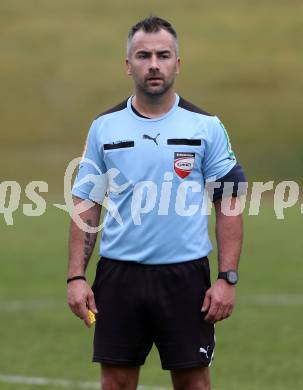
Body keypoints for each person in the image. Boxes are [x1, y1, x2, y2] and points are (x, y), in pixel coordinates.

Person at [67, 16, 246, 390]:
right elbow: (86, 203)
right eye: (143, 55)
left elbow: (228, 202)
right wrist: (77, 276)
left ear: (177, 64)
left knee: (193, 383)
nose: (153, 64)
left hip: (185, 278)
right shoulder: (105, 127)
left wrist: (227, 278)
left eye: (163, 55)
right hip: (119, 277)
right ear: (127, 64)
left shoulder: (206, 126)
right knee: (115, 383)